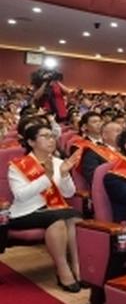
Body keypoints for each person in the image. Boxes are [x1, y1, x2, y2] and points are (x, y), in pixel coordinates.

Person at [7, 122, 83, 292]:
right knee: (57, 220)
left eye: (52, 136)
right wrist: (46, 177)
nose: (51, 140)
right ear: (31, 142)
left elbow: (69, 193)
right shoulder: (18, 165)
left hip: (53, 209)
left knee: (75, 216)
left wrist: (64, 174)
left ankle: (78, 266)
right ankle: (63, 269)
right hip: (25, 212)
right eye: (45, 136)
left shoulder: (58, 162)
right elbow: (21, 196)